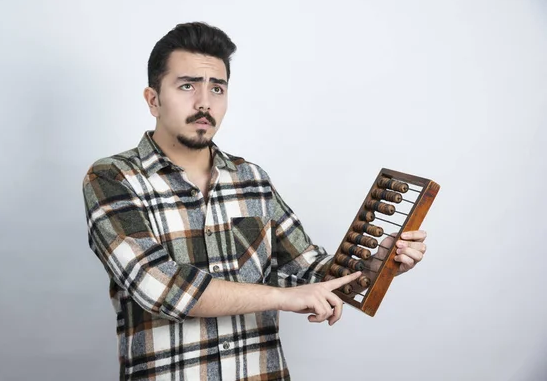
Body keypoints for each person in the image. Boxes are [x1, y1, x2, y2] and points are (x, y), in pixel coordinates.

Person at [82, 22, 428, 381]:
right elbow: (158, 287)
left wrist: (380, 264)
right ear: (153, 99)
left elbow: (312, 273)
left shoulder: (252, 179)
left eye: (217, 88)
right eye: (187, 86)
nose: (204, 102)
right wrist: (281, 297)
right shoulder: (113, 177)